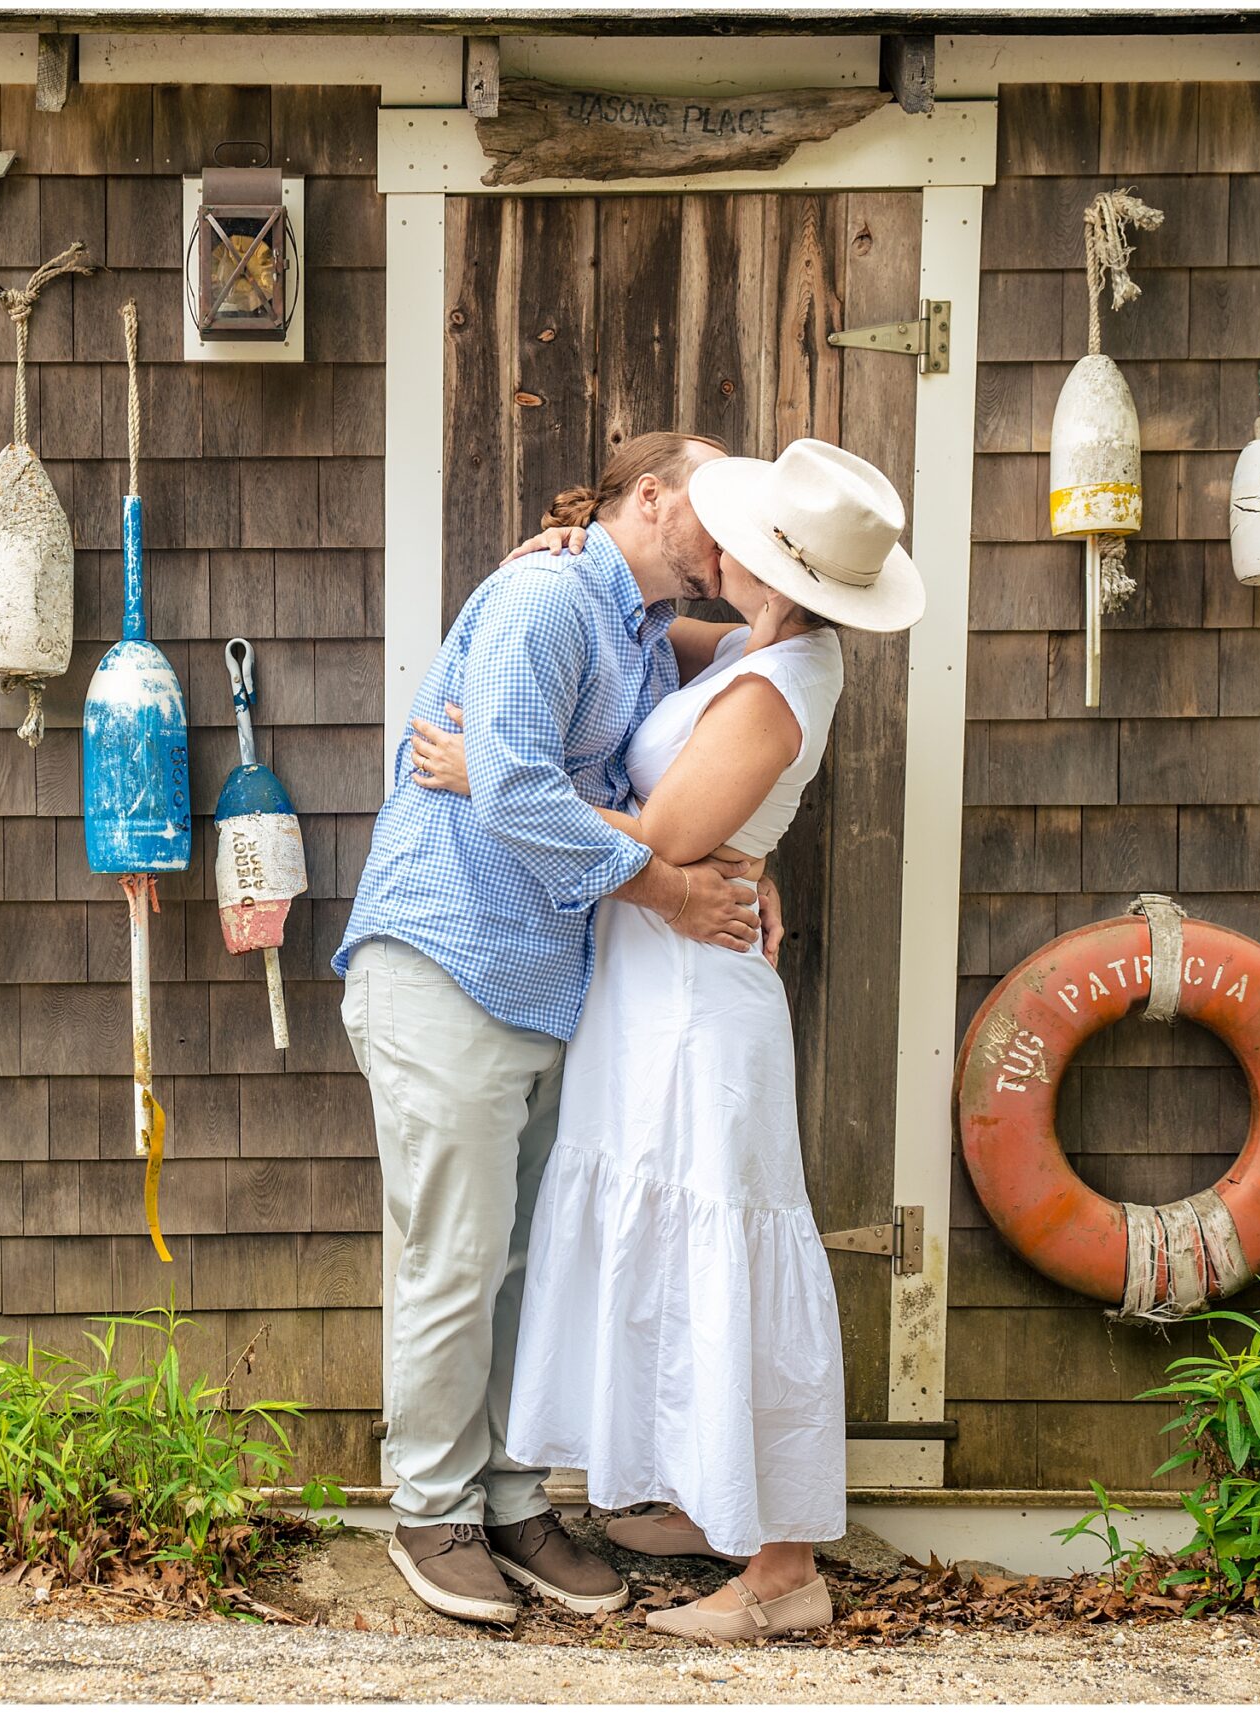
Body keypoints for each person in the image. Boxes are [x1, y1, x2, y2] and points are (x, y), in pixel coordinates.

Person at [407, 439, 926, 1642]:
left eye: (741, 535)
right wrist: (554, 549)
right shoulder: (746, 647)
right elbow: (623, 625)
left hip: (698, 1005)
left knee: (725, 1250)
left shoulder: (773, 684)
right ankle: (713, 1502)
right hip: (652, 996)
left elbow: (672, 837)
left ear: (780, 573)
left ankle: (782, 1571)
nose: (717, 541)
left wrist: (497, 771)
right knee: (669, 1244)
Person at [335, 431, 781, 1627]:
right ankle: (431, 1508)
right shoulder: (544, 597)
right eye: (713, 507)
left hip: (540, 979)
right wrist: (674, 892)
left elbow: (751, 674)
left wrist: (732, 855)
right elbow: (523, 796)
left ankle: (510, 1494)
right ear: (650, 497)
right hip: (446, 957)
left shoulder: (636, 629)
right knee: (457, 1257)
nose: (729, 533)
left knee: (521, 1263)